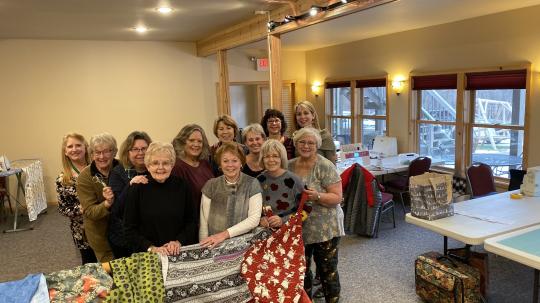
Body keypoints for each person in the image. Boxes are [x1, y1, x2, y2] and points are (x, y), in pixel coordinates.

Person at [289, 127, 343, 303]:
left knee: (328, 271)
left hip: (324, 229)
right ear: (296, 144)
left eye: (310, 143)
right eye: (302, 142)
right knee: (301, 271)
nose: (306, 146)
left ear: (317, 145)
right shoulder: (289, 165)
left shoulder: (325, 166)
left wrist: (317, 196)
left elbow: (337, 197)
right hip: (299, 230)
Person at [124, 142, 197, 255]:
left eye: (166, 163)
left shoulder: (183, 186)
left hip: (178, 252)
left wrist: (178, 242)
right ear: (148, 166)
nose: (160, 167)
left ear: (172, 165)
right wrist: (152, 248)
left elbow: (192, 222)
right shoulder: (137, 189)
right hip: (148, 255)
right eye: (155, 163)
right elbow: (129, 230)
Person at [199, 142, 262, 248]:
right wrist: (203, 247)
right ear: (220, 164)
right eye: (225, 161)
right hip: (215, 246)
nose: (230, 165)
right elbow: (204, 222)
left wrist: (224, 235)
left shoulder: (252, 183)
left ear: (241, 162)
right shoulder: (211, 185)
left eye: (234, 160)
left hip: (244, 246)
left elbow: (254, 219)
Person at [108, 131, 152, 259]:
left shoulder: (155, 169)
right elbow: (116, 208)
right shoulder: (118, 172)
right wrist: (130, 185)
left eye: (144, 148)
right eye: (135, 149)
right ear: (128, 152)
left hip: (149, 235)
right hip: (124, 236)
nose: (140, 153)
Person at [77, 133, 120, 262]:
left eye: (107, 151)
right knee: (112, 273)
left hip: (125, 234)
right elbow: (90, 212)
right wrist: (107, 203)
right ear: (91, 154)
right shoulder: (85, 177)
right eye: (97, 152)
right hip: (101, 236)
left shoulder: (124, 168)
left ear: (114, 152)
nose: (102, 156)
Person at [55, 132, 97, 264]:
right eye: (70, 146)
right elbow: (63, 209)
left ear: (86, 148)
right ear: (65, 152)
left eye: (78, 145)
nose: (74, 149)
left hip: (105, 223)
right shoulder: (63, 179)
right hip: (83, 229)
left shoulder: (98, 169)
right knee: (90, 264)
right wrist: (82, 208)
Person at [257, 139, 304, 229]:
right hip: (265, 232)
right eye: (266, 156)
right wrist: (260, 219)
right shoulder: (258, 181)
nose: (271, 160)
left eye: (275, 156)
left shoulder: (294, 180)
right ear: (262, 159)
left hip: (289, 232)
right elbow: (253, 210)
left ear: (281, 158)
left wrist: (284, 219)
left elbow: (306, 209)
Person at [171, 124, 214, 221]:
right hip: (193, 223)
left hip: (211, 220)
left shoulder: (205, 163)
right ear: (183, 142)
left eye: (200, 141)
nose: (196, 144)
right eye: (191, 140)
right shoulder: (177, 167)